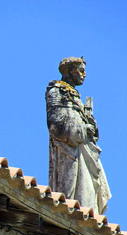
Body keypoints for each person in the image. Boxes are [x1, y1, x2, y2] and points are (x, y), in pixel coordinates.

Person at [46, 57, 111, 214]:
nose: (84, 74)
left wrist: (90, 124)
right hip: (69, 151)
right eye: (81, 71)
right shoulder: (56, 91)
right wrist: (81, 129)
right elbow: (55, 124)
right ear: (69, 71)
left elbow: (89, 129)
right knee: (72, 197)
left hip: (83, 149)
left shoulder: (75, 96)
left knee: (88, 193)